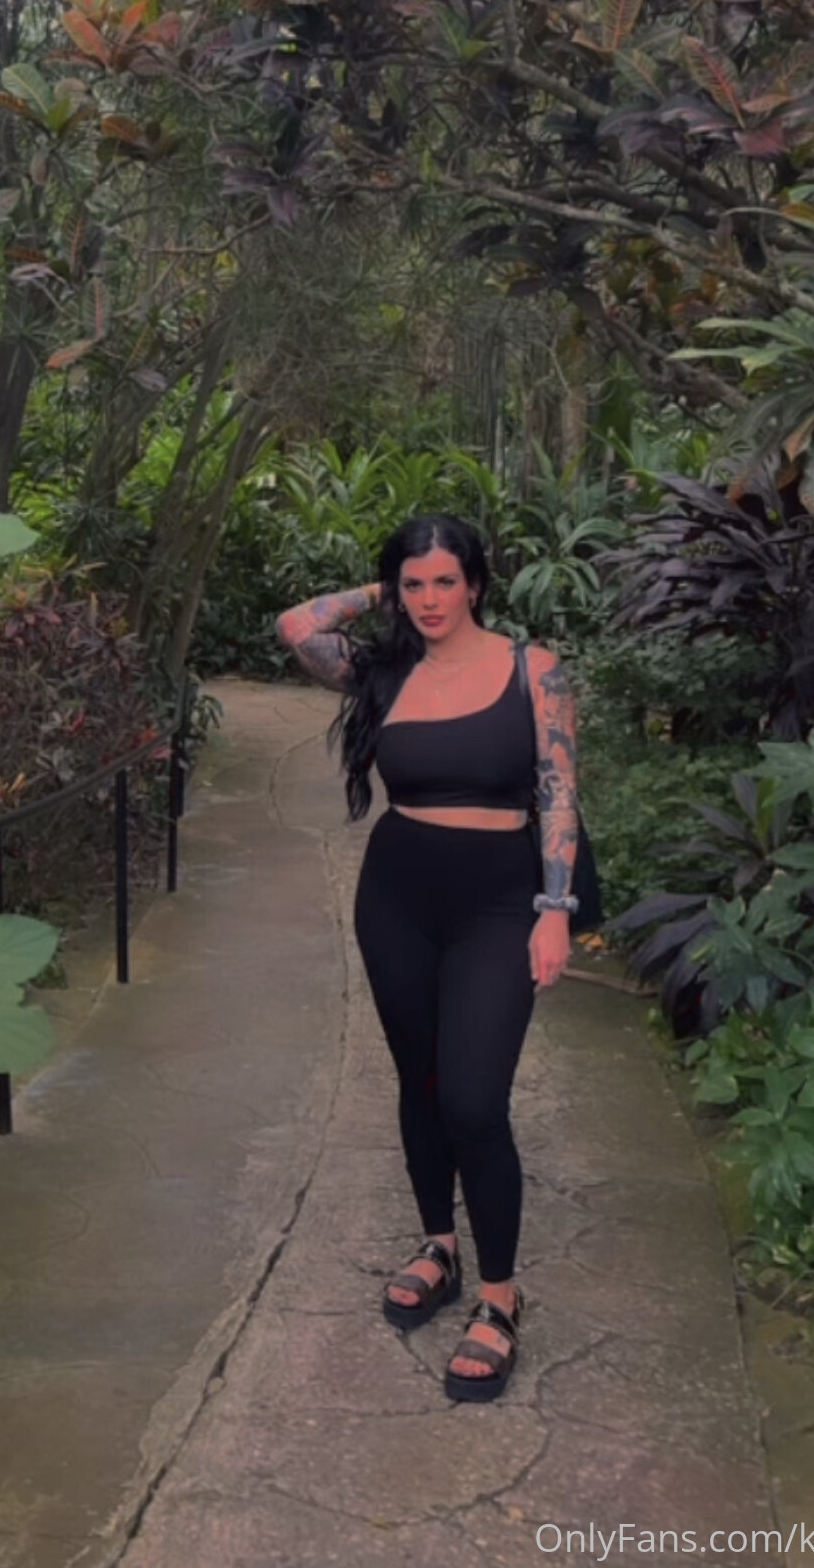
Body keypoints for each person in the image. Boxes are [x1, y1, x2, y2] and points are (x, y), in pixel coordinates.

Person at [275, 513, 579, 1403]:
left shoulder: (534, 669)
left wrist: (555, 909)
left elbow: (560, 792)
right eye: (415, 584)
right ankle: (439, 1245)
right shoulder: (383, 670)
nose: (431, 599)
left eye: (447, 580)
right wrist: (386, 587)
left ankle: (501, 1296)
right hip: (398, 896)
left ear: (476, 584)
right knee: (423, 1079)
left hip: (500, 901)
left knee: (475, 1099)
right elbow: (296, 624)